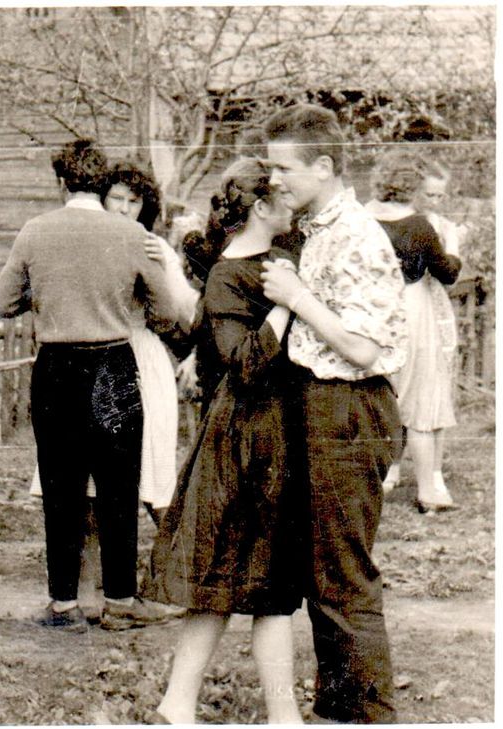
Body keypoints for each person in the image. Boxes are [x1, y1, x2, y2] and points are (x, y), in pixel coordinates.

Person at [0, 139, 192, 633]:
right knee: (120, 484)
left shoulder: (35, 231)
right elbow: (166, 311)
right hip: (113, 365)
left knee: (62, 487)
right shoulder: (131, 234)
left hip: (57, 367)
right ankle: (120, 602)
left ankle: (64, 605)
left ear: (61, 182)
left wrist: (47, 293)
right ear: (102, 184)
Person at [259, 104, 407, 724]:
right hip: (318, 406)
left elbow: (363, 348)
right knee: (323, 571)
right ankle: (340, 709)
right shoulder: (317, 229)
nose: (274, 180)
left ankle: (368, 714)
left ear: (323, 166)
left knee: (344, 573)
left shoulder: (358, 236)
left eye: (283, 168)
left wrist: (297, 297)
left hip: (349, 409)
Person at [148, 158, 303, 724]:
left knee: (263, 583)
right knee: (242, 579)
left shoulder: (281, 258)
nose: (294, 203)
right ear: (260, 207)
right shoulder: (228, 276)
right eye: (283, 195)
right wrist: (287, 303)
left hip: (278, 431)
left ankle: (182, 703)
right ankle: (277, 716)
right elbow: (245, 362)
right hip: (246, 438)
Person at [364, 151, 462, 512]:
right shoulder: (419, 225)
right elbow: (447, 273)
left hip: (371, 309)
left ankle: (377, 480)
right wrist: (453, 245)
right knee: (418, 400)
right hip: (411, 309)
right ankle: (427, 490)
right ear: (413, 186)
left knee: (379, 395)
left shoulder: (361, 217)